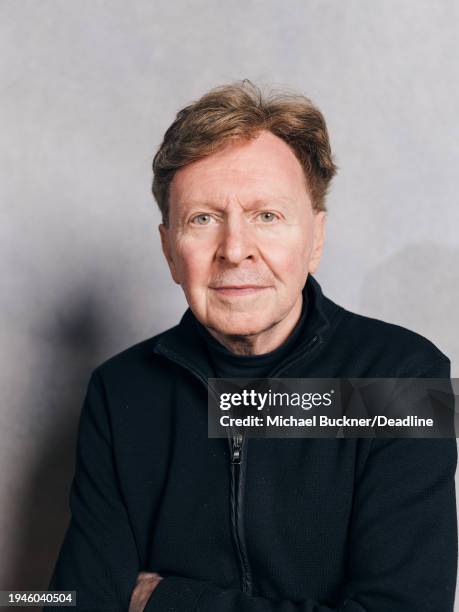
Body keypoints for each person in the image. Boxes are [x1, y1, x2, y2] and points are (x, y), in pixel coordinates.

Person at [46, 80, 457, 611]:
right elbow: (75, 601)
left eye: (267, 215)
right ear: (170, 250)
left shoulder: (402, 381)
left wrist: (169, 601)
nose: (235, 250)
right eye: (203, 219)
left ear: (315, 240)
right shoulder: (121, 391)